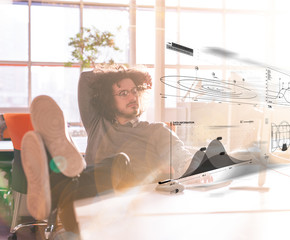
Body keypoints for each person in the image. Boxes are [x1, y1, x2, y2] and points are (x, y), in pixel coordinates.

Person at [21, 64, 192, 238]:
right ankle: (60, 185)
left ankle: (54, 187)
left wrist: (179, 169)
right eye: (123, 93)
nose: (132, 96)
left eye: (134, 91)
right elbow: (86, 79)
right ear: (109, 100)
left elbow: (180, 156)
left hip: (129, 204)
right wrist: (134, 73)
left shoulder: (157, 130)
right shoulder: (98, 124)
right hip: (84, 203)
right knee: (110, 167)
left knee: (118, 162)